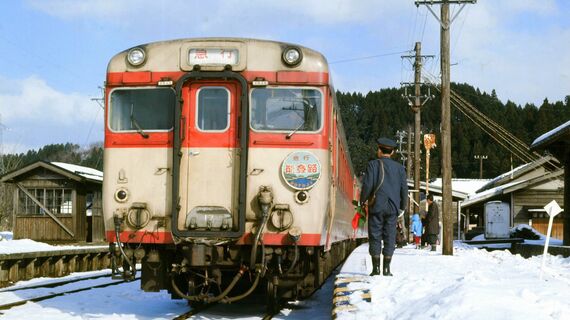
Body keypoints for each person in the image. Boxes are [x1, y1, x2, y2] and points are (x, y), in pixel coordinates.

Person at [359, 137, 408, 276]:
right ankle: (387, 269)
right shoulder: (399, 168)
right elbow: (404, 189)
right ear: (392, 152)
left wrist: (362, 201)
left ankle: (376, 269)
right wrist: (402, 207)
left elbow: (367, 185)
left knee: (375, 235)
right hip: (393, 208)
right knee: (390, 236)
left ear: (380, 150)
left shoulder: (373, 165)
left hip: (376, 206)